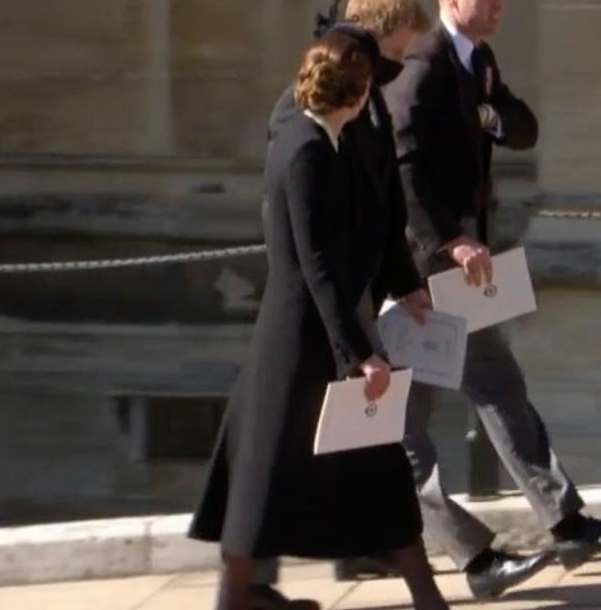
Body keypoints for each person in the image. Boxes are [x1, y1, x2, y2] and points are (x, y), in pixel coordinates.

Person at [384, 0, 601, 600]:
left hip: (463, 266)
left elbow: (522, 125)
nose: (500, 4)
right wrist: (447, 241)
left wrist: (490, 116)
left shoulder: (480, 62)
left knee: (497, 387)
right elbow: (403, 168)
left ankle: (562, 523)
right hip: (424, 273)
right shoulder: (423, 69)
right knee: (398, 431)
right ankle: (475, 554)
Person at [189, 31, 450, 610]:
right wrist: (362, 352)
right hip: (297, 343)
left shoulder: (324, 140)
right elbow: (318, 265)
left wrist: (400, 293)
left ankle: (425, 597)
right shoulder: (305, 148)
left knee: (373, 471)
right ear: (356, 94)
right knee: (262, 481)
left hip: (323, 334)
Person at [251, 0, 435, 599]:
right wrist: (358, 346)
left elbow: (382, 209)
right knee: (278, 456)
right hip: (312, 323)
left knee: (363, 455)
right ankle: (251, 584)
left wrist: (405, 281)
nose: (399, 68)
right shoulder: (303, 122)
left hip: (350, 309)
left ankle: (399, 571)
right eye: (398, 53)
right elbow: (314, 248)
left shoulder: (370, 106)